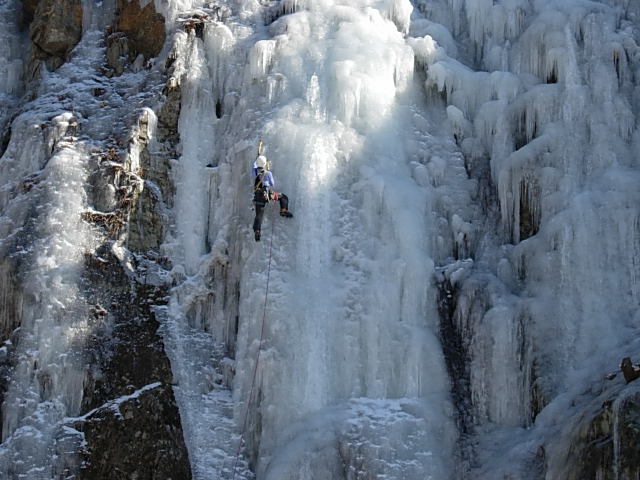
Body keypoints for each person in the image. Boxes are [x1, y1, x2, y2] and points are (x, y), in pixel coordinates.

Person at [252, 154, 293, 241]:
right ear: (265, 164)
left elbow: (254, 166)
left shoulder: (255, 172)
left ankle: (257, 231)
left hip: (257, 196)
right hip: (266, 195)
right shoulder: (268, 173)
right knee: (283, 197)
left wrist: (257, 158)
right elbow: (272, 183)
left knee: (258, 215)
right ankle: (283, 211)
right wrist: (267, 171)